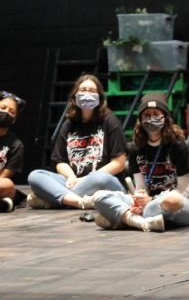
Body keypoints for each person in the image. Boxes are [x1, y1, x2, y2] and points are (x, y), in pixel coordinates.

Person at [92, 94, 189, 232]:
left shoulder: (179, 146)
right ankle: (142, 222)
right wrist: (138, 200)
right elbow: (141, 188)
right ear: (140, 119)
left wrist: (150, 200)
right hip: (149, 204)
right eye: (147, 114)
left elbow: (184, 191)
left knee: (171, 200)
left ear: (165, 118)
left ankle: (125, 218)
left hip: (180, 205)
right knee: (99, 196)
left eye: (156, 114)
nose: (151, 118)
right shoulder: (134, 148)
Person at [27, 74, 126, 209]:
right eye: (83, 90)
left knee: (100, 178)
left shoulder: (110, 121)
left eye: (91, 91)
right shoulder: (69, 124)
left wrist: (86, 179)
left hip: (101, 181)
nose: (87, 94)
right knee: (35, 176)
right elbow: (60, 161)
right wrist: (71, 176)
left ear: (100, 97)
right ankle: (77, 201)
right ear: (75, 96)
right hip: (75, 181)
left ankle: (57, 199)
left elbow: (119, 163)